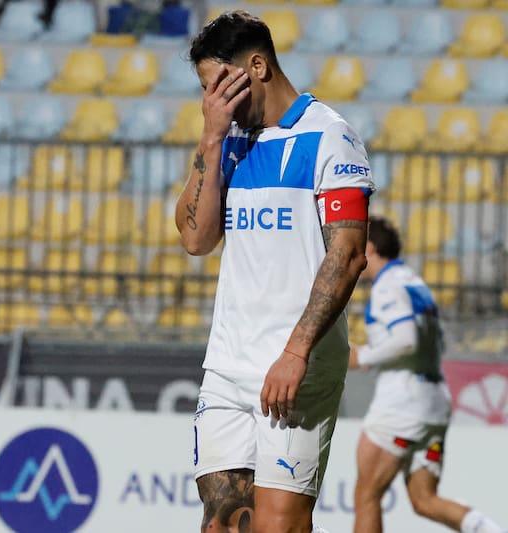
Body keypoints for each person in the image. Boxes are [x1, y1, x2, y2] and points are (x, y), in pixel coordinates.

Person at [176, 11, 374, 533]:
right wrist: (210, 137)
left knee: (276, 526)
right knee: (221, 523)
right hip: (227, 366)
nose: (211, 100)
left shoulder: (329, 136)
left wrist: (295, 352)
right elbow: (195, 239)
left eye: (216, 84)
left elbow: (348, 254)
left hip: (294, 367)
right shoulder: (231, 141)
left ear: (256, 67)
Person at [350, 216, 505, 533]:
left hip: (402, 404)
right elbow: (433, 338)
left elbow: (406, 339)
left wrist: (364, 356)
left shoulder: (388, 287)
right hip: (433, 403)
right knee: (424, 500)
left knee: (367, 493)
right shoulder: (413, 281)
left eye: (355, 246)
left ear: (370, 248)